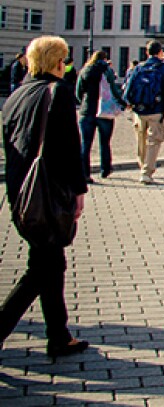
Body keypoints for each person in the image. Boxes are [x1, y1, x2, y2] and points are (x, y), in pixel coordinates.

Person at [0, 35, 90, 356]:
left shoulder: (17, 95)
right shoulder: (58, 94)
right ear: (55, 63)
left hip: (21, 194)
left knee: (50, 263)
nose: (66, 66)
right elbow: (69, 150)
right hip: (47, 195)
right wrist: (79, 191)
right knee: (41, 270)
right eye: (64, 60)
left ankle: (58, 334)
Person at [123, 41, 164, 185]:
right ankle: (146, 172)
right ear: (160, 52)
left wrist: (129, 102)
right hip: (157, 109)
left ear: (147, 53)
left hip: (139, 109)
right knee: (154, 141)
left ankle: (142, 165)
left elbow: (129, 87)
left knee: (140, 139)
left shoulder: (139, 68)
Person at [76, 49, 126, 181]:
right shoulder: (107, 71)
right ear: (105, 59)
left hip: (88, 110)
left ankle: (85, 173)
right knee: (105, 142)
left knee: (85, 144)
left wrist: (83, 103)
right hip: (104, 111)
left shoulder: (85, 70)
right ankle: (105, 169)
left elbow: (78, 91)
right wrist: (122, 103)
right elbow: (114, 90)